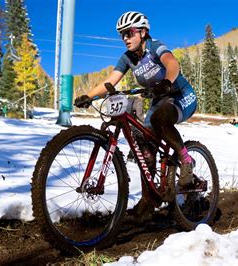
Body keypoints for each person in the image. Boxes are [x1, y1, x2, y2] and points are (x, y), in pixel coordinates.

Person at [74, 11, 198, 215]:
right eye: (122, 34)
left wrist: (167, 82)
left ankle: (186, 160)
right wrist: (89, 96)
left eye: (129, 33)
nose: (125, 38)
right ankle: (148, 201)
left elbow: (172, 63)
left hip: (180, 95)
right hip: (160, 99)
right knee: (144, 149)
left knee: (160, 119)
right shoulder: (128, 58)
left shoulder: (155, 46)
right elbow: (111, 81)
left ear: (143, 32)